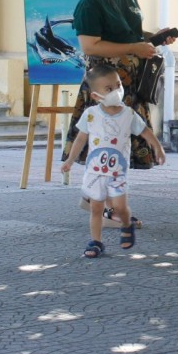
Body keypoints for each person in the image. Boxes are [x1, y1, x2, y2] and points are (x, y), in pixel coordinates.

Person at [63, 0, 177, 171]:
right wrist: (133, 48)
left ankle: (112, 195)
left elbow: (130, 33)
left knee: (125, 140)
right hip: (106, 82)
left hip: (132, 80)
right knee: (105, 139)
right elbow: (90, 46)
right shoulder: (91, 2)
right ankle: (98, 197)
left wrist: (153, 37)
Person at [61, 63, 166, 258]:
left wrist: (158, 148)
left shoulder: (128, 114)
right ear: (95, 95)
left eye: (117, 85)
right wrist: (70, 160)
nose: (116, 91)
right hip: (95, 172)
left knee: (119, 208)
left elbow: (145, 131)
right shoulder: (90, 115)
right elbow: (81, 139)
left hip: (117, 172)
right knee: (96, 208)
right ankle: (96, 242)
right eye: (108, 89)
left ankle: (126, 224)